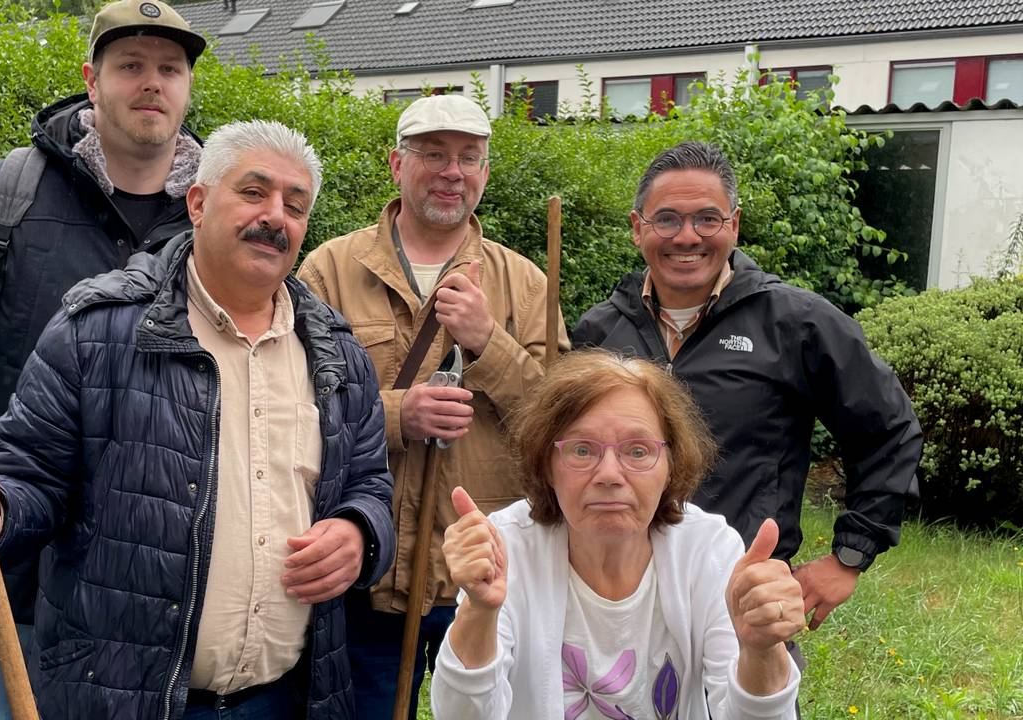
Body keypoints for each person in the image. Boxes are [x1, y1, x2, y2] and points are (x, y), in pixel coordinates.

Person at [0, 120, 395, 719]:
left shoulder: (337, 353)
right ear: (197, 203)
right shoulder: (97, 330)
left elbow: (370, 484)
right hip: (123, 699)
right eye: (253, 192)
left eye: (294, 205)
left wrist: (360, 533)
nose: (275, 216)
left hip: (287, 699)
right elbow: (28, 478)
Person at [0, 0, 207, 715]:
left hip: (155, 588)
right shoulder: (6, 194)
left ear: (187, 87)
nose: (152, 82)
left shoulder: (215, 217)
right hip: (15, 570)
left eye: (170, 68)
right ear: (91, 80)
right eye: (130, 65)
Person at [571, 141, 921, 635]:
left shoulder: (796, 323)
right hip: (613, 600)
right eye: (666, 219)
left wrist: (849, 556)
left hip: (741, 599)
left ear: (734, 225)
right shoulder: (600, 331)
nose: (687, 236)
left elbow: (889, 430)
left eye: (707, 219)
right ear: (637, 228)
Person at [297, 94, 569, 719]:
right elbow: (293, 406)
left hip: (482, 567)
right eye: (434, 154)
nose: (453, 172)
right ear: (397, 164)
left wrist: (488, 340)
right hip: (364, 564)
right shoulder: (329, 270)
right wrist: (398, 415)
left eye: (470, 158)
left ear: (485, 173)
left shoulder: (526, 283)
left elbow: (559, 423)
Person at [432, 350, 804, 719]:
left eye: (638, 451)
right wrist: (479, 612)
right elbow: (459, 716)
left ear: (671, 466)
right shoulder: (508, 546)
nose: (609, 474)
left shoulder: (707, 549)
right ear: (546, 465)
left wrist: (761, 650)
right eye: (582, 450)